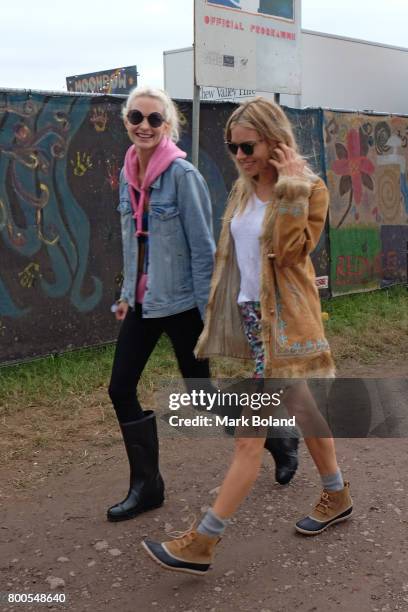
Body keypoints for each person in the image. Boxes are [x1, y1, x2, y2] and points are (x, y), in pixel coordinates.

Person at [142, 98, 353, 574]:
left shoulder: (308, 189)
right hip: (254, 323)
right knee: (302, 407)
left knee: (247, 440)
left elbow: (288, 252)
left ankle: (203, 541)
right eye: (232, 146)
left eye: (248, 145)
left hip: (287, 327)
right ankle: (337, 493)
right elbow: (233, 260)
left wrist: (293, 188)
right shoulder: (243, 190)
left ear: (274, 141)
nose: (239, 155)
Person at [107, 86, 215, 522]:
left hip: (183, 304)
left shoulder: (184, 176)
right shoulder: (126, 173)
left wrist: (209, 318)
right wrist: (124, 293)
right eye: (137, 117)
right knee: (120, 387)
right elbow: (132, 242)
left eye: (154, 119)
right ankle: (147, 486)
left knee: (205, 402)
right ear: (127, 122)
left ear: (167, 126)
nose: (144, 126)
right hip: (142, 303)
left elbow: (204, 250)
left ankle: (277, 438)